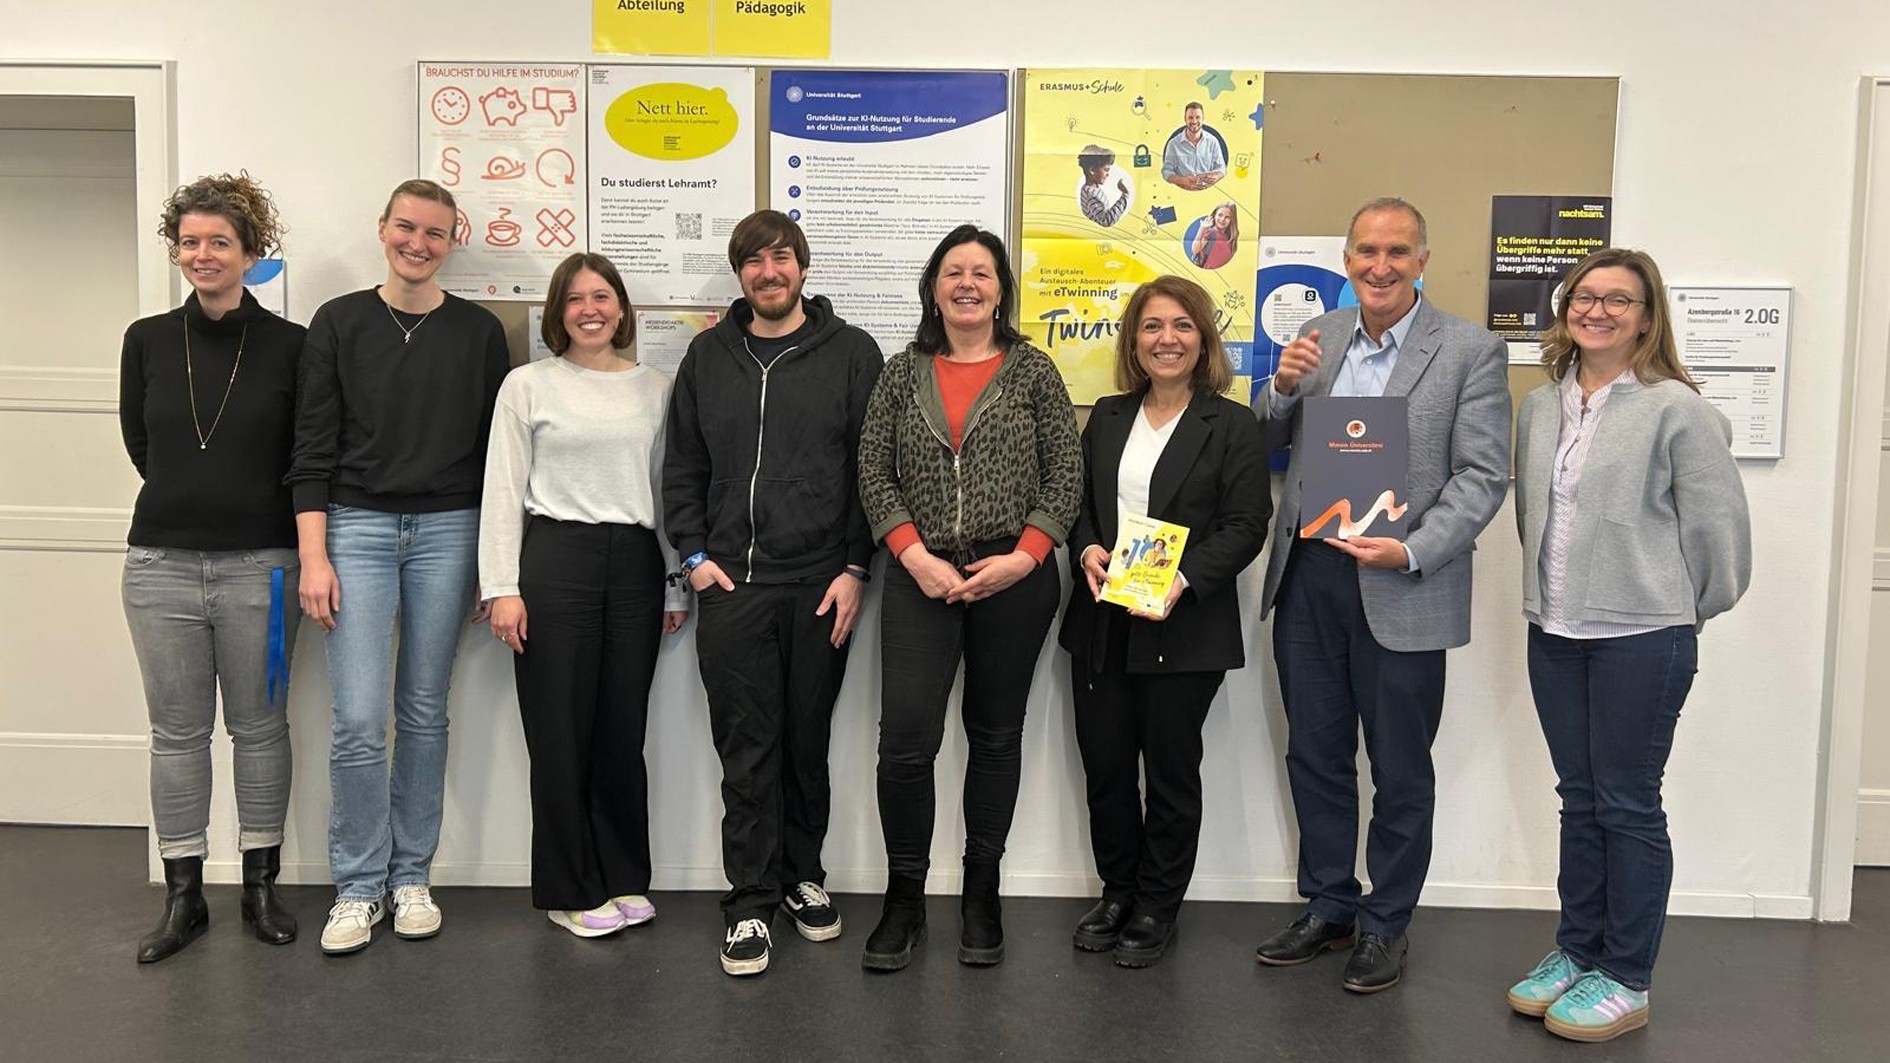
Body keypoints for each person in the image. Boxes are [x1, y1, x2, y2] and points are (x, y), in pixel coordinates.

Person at [1250, 197, 1510, 992]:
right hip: (1311, 575)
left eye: (1398, 251)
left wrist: (1414, 548)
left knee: (1399, 765)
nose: (1381, 265)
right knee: (1315, 751)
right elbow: (1263, 438)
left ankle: (1386, 921)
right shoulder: (1319, 336)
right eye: (1367, 250)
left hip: (1402, 578)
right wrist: (1280, 389)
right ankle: (1330, 903)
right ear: (1348, 259)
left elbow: (1483, 475)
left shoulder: (1470, 349)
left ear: (1422, 260)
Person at [1505, 249, 1750, 1042]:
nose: (1598, 310)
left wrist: (1676, 609)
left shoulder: (1678, 409)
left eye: (1619, 299)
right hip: (1555, 631)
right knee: (1579, 798)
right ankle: (1579, 950)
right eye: (1585, 295)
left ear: (1647, 318)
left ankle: (1626, 975)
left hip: (1643, 637)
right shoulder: (1540, 407)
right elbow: (1533, 517)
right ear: (1565, 307)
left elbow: (1720, 536)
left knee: (1627, 803)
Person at [287, 179, 511, 955]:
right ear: (382, 228)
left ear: (453, 240)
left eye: (435, 232)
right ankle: (357, 887)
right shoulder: (339, 320)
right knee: (356, 717)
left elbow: (496, 460)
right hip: (355, 527)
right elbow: (310, 445)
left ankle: (411, 875)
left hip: (451, 529)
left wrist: (493, 563)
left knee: (422, 711)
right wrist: (314, 555)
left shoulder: (480, 332)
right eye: (407, 228)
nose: (418, 243)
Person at [856, 224, 1082, 972]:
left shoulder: (1034, 371)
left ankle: (982, 893)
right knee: (905, 740)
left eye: (982, 273)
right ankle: (904, 899)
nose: (967, 284)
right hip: (920, 576)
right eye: (953, 272)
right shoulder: (900, 373)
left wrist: (1026, 557)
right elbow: (873, 471)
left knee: (994, 735)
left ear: (1000, 290)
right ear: (933, 288)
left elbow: (1066, 474)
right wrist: (912, 554)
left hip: (1013, 578)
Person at [663, 209, 882, 977]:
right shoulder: (708, 356)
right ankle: (750, 901)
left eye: (781, 257)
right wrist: (693, 556)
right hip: (733, 585)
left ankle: (801, 877)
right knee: (746, 747)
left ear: (803, 267)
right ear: (740, 274)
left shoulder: (853, 353)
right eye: (754, 260)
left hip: (822, 583)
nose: (769, 271)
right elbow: (683, 465)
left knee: (805, 741)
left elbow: (870, 470)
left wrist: (855, 568)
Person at [1057, 276, 1271, 968]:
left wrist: (1185, 578)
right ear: (1134, 341)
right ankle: (1117, 891)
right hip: (1103, 621)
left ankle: (1156, 904)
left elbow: (1247, 524)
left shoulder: (1230, 424)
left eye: (1182, 325)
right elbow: (1078, 505)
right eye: (1152, 326)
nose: (1166, 339)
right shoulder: (1109, 415)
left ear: (1203, 339)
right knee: (1107, 769)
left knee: (1171, 774)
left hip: (1183, 626)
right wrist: (1086, 548)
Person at [119, 173, 305, 963]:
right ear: (176, 250)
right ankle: (184, 895)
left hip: (263, 566)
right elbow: (141, 444)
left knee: (259, 728)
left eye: (219, 242)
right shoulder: (146, 339)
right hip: (159, 565)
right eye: (190, 241)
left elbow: (304, 455)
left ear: (251, 253)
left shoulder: (292, 345)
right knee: (177, 735)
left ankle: (259, 886)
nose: (203, 254)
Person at [479, 253, 690, 939]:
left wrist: (674, 583)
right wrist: (502, 588)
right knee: (560, 732)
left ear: (622, 308)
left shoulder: (655, 388)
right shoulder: (527, 385)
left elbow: (665, 492)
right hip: (555, 559)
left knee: (621, 729)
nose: (590, 310)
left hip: (633, 562)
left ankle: (623, 875)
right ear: (557, 312)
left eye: (602, 297)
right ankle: (569, 888)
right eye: (575, 299)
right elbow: (503, 489)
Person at [1161, 103, 1226, 191]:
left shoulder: (1213, 141)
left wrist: (1216, 176)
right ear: (1185, 119)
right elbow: (1166, 172)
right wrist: (1184, 181)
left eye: (1198, 117)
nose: (1194, 121)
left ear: (1203, 118)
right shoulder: (1173, 144)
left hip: (1208, 192)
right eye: (1190, 118)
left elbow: (1222, 168)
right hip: (1182, 192)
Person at [1077, 145, 1133, 228]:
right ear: (1092, 170)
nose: (1108, 174)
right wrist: (1125, 195)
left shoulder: (1090, 188)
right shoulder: (1091, 195)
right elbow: (1106, 221)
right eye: (1106, 170)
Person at [1189, 204, 1239, 270]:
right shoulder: (1210, 232)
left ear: (1232, 220)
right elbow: (1195, 250)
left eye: (1227, 217)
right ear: (1214, 216)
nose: (1222, 219)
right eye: (1220, 215)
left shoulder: (1230, 238)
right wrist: (1202, 229)